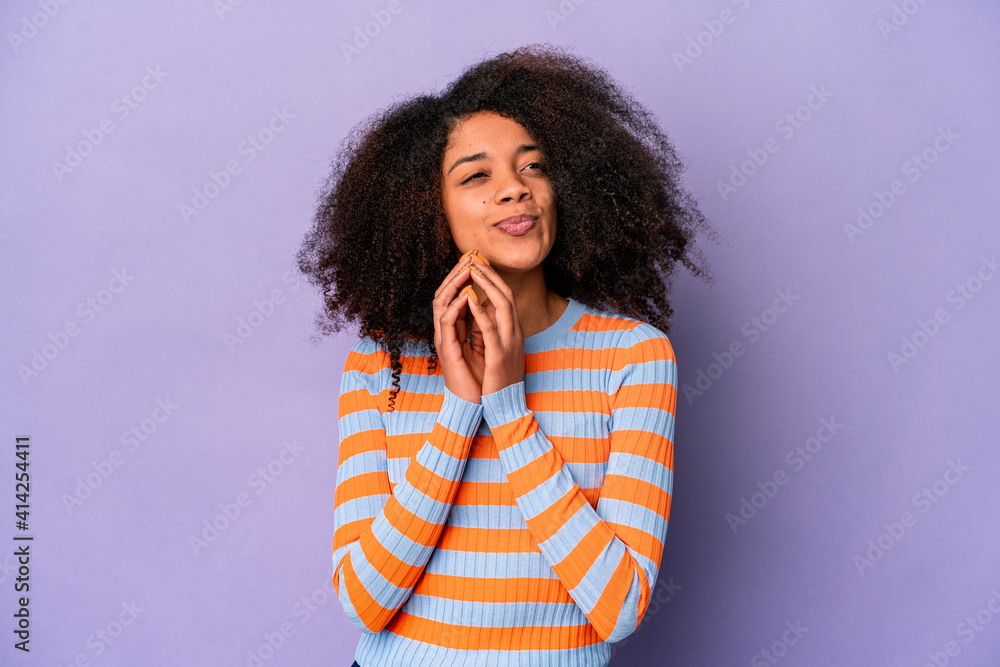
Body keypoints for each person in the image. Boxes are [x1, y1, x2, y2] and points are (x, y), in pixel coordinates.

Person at [296, 43, 715, 667]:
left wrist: (509, 412)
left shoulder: (633, 356)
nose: (514, 190)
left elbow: (620, 606)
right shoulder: (379, 365)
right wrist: (460, 408)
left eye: (534, 167)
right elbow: (365, 602)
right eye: (476, 175)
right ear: (426, 210)